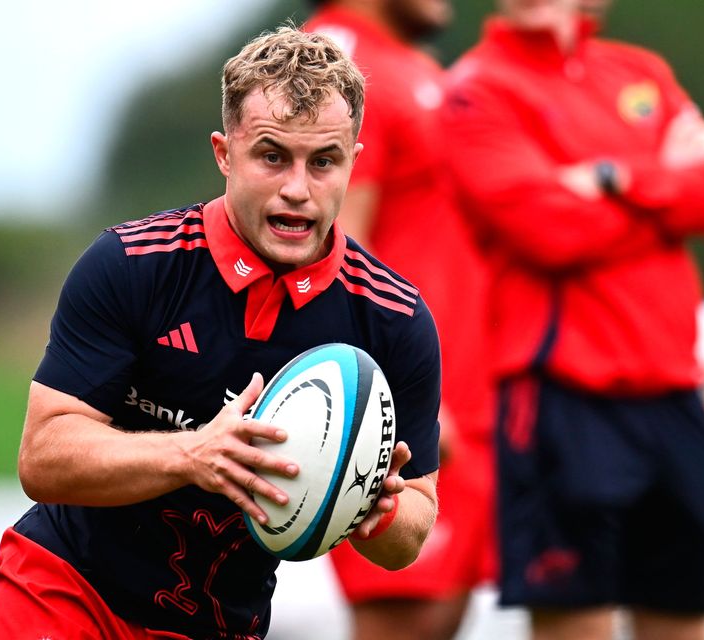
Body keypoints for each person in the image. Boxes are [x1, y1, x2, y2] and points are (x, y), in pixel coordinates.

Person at [0, 26, 443, 640]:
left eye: (323, 162)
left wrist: (374, 510)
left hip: (222, 624)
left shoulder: (395, 320)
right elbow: (42, 457)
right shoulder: (131, 265)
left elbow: (414, 527)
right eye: (272, 156)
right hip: (67, 593)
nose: (298, 189)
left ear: (354, 162)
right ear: (225, 154)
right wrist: (193, 454)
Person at [444, 1, 704, 638]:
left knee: (684, 620)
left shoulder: (640, 71)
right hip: (562, 397)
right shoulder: (475, 91)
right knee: (576, 623)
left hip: (674, 394)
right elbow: (550, 230)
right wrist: (664, 186)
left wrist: (610, 178)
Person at [303, 2, 496, 640]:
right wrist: (395, 406)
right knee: (405, 617)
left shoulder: (410, 65)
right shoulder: (335, 64)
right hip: (416, 406)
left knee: (440, 616)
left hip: (465, 396)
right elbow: (329, 252)